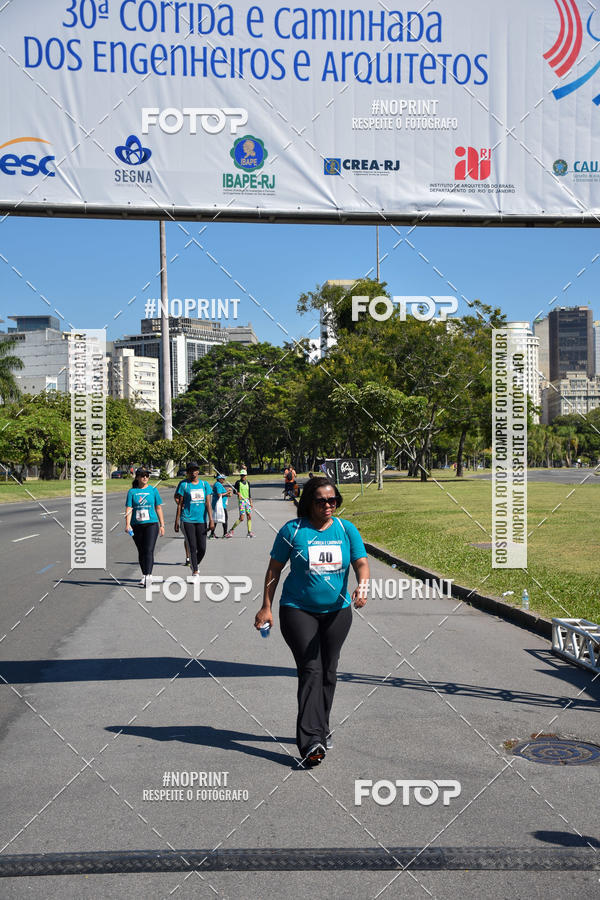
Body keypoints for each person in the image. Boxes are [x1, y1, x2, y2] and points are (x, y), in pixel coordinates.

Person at [255, 476, 370, 767]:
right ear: (309, 502)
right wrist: (266, 607)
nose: (328, 505)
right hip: (297, 610)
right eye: (321, 501)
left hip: (337, 612)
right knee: (311, 669)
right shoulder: (293, 531)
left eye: (333, 500)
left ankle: (322, 726)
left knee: (329, 671)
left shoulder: (346, 529)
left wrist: (362, 585)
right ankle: (311, 742)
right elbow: (274, 570)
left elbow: (360, 562)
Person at [125, 467, 165, 587]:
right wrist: (127, 524)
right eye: (142, 475)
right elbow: (129, 509)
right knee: (141, 550)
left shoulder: (153, 490)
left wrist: (162, 525)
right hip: (136, 525)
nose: (145, 478)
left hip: (151, 524)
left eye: (147, 475)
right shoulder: (132, 492)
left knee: (148, 550)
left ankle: (149, 575)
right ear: (137, 477)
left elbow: (158, 507)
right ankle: (144, 574)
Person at [174, 462, 214, 578]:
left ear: (198, 471)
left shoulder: (204, 485)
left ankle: (194, 563)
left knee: (202, 548)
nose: (193, 472)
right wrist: (177, 521)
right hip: (187, 520)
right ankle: (195, 571)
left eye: (195, 470)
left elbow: (208, 503)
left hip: (201, 520)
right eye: (191, 470)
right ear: (188, 472)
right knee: (192, 545)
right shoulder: (184, 485)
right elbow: (179, 504)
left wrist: (211, 520)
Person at [225, 469, 254, 538]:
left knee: (249, 516)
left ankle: (249, 532)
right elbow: (234, 491)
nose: (243, 476)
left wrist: (251, 502)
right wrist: (237, 493)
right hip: (241, 501)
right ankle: (231, 530)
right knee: (241, 518)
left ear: (246, 476)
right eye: (242, 475)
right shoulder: (238, 482)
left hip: (247, 500)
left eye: (244, 475)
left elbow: (249, 493)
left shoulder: (248, 483)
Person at [174, 473, 190, 564]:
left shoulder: (202, 484)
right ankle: (188, 557)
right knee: (187, 537)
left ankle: (194, 556)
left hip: (198, 517)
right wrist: (181, 505)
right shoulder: (183, 484)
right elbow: (176, 497)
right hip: (186, 515)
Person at [209, 473, 232, 538]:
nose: (224, 479)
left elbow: (222, 493)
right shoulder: (218, 485)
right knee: (225, 518)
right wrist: (227, 493)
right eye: (223, 478)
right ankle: (225, 534)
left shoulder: (218, 484)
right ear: (219, 479)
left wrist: (227, 494)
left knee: (216, 519)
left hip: (220, 504)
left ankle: (212, 534)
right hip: (219, 505)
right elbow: (219, 495)